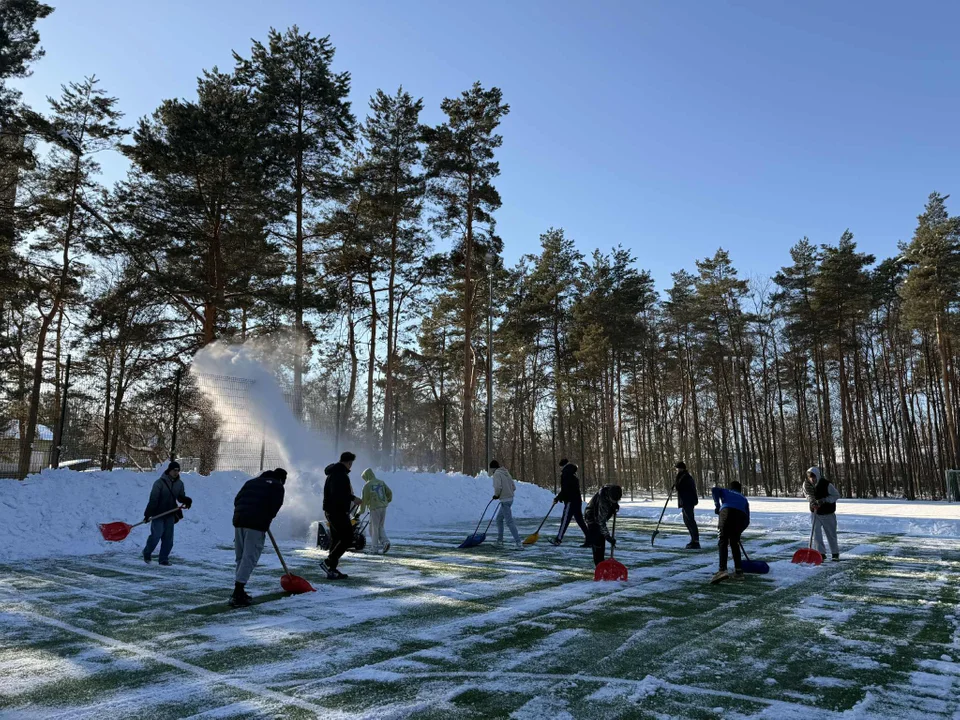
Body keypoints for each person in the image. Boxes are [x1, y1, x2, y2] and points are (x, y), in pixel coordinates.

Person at [229, 468, 287, 607]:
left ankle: (239, 589)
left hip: (239, 521)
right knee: (250, 557)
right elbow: (275, 506)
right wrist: (265, 519)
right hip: (255, 524)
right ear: (282, 479)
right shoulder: (277, 486)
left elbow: (237, 500)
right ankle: (238, 593)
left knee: (241, 556)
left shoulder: (251, 482)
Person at [142, 460, 192, 566]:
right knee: (156, 535)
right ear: (169, 470)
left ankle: (163, 559)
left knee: (168, 539)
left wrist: (186, 500)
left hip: (170, 514)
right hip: (158, 514)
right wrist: (147, 514)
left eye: (178, 470)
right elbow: (153, 500)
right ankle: (147, 552)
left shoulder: (179, 484)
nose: (176, 472)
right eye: (174, 470)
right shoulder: (159, 483)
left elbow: (180, 497)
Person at [322, 451, 360, 579]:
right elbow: (338, 493)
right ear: (349, 462)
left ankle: (331, 569)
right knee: (347, 537)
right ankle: (329, 561)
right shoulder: (340, 474)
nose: (351, 467)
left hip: (331, 510)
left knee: (337, 538)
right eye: (351, 464)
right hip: (337, 511)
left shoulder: (334, 473)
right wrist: (353, 498)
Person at [710, 480, 750, 584]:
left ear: (731, 488)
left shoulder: (727, 491)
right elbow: (747, 520)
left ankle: (722, 570)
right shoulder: (744, 499)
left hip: (727, 512)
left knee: (723, 540)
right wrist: (738, 533)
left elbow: (714, 490)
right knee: (734, 543)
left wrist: (717, 505)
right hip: (740, 517)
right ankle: (739, 571)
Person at [803, 466, 841, 561]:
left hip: (828, 513)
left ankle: (835, 553)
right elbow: (807, 494)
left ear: (818, 476)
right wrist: (812, 501)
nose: (812, 479)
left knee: (830, 534)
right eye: (810, 477)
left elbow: (836, 495)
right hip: (815, 513)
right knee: (816, 534)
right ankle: (821, 553)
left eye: (814, 477)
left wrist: (824, 500)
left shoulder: (826, 484)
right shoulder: (806, 484)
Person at [549, 459, 589, 547]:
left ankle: (558, 539)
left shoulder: (566, 473)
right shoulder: (572, 472)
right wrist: (560, 497)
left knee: (565, 520)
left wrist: (558, 498)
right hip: (577, 500)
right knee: (579, 520)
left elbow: (566, 489)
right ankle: (590, 538)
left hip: (570, 501)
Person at [584, 484, 622, 566]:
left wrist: (614, 505)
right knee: (598, 542)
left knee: (601, 541)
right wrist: (608, 537)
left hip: (599, 517)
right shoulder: (603, 502)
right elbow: (601, 522)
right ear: (609, 496)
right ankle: (598, 565)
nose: (615, 501)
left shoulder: (611, 491)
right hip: (591, 518)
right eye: (613, 500)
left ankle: (601, 563)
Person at [358, 467, 393, 554]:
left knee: (374, 528)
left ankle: (374, 548)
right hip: (383, 507)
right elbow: (389, 493)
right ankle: (385, 542)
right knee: (380, 526)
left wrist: (360, 512)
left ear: (366, 476)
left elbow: (364, 500)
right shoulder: (381, 482)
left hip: (375, 508)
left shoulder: (367, 485)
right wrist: (386, 501)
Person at [490, 460, 523, 550]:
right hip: (510, 499)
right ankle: (500, 540)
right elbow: (514, 487)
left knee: (509, 522)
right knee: (499, 519)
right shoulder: (506, 472)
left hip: (505, 500)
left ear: (493, 468)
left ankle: (518, 543)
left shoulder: (497, 474)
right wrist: (507, 493)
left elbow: (498, 487)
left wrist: (497, 495)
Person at [674, 461, 700, 549]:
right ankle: (693, 540)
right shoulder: (683, 476)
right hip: (686, 502)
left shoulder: (685, 477)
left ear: (681, 469)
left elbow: (679, 487)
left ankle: (695, 541)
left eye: (677, 469)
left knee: (690, 520)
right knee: (687, 521)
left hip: (688, 502)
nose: (676, 471)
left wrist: (677, 480)